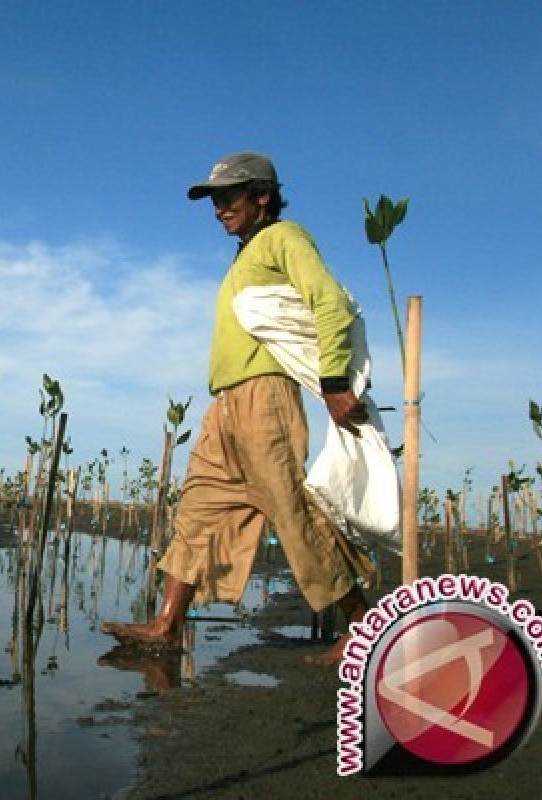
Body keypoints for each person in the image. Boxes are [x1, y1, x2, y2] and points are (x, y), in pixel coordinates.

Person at [101, 151, 375, 666]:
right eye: (215, 199)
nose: (219, 209)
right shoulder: (247, 253)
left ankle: (365, 627)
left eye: (228, 197)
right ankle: (166, 625)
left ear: (262, 196)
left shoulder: (284, 238)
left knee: (292, 512)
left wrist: (335, 381)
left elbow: (329, 302)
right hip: (225, 404)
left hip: (264, 399)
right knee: (198, 508)